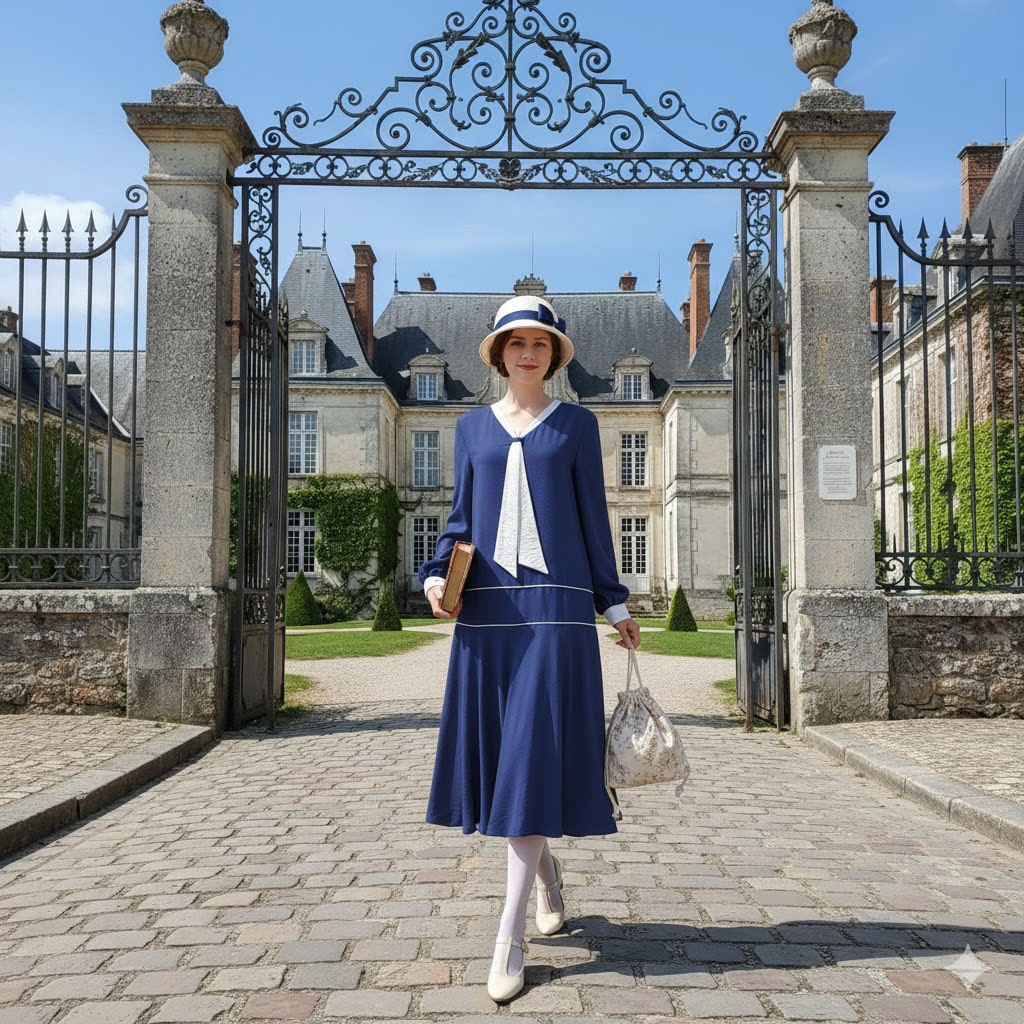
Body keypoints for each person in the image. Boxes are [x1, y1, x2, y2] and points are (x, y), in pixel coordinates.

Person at [418, 295, 641, 1003]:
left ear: (553, 355)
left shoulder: (576, 425)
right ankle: (545, 874)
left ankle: (508, 934)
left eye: (540, 343)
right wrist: (433, 575)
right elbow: (459, 521)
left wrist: (613, 600)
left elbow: (593, 521)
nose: (527, 353)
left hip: (557, 617)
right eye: (515, 342)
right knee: (515, 766)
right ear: (497, 353)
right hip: (487, 616)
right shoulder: (470, 429)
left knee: (532, 759)